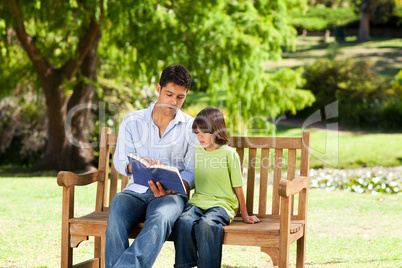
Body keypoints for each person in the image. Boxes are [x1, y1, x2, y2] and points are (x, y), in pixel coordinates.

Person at [105, 64, 197, 268]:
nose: (173, 102)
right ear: (158, 89)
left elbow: (191, 170)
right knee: (117, 211)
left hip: (170, 195)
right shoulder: (132, 121)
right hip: (135, 191)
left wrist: (179, 185)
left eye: (180, 97)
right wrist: (137, 165)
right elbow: (120, 160)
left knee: (160, 219)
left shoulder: (191, 128)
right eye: (169, 94)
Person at [173, 107, 260, 268]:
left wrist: (245, 215)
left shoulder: (229, 154)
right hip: (199, 202)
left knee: (207, 224)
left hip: (222, 205)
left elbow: (238, 187)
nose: (200, 137)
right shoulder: (197, 151)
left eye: (204, 132)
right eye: (197, 132)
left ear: (216, 130)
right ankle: (185, 264)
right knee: (183, 221)